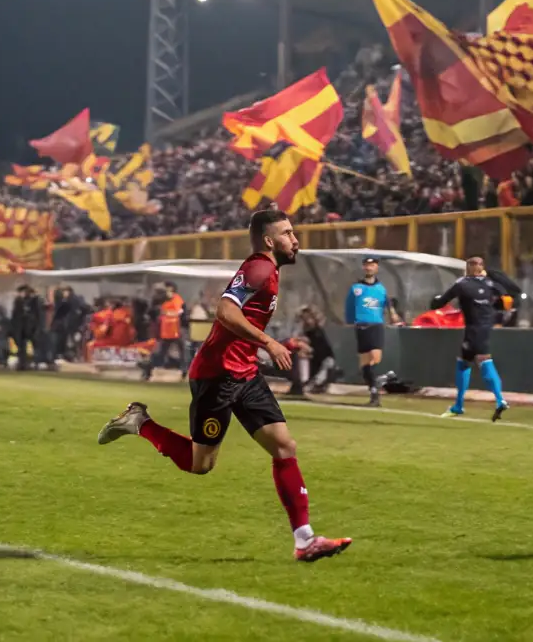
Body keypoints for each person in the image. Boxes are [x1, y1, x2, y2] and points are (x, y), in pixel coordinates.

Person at [95, 209, 351, 563]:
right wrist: (270, 343)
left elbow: (239, 328)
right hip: (217, 376)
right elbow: (226, 312)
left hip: (244, 374)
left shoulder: (270, 271)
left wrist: (273, 345)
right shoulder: (259, 268)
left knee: (284, 446)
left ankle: (305, 540)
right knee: (201, 464)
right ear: (268, 240)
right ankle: (140, 423)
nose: (296, 240)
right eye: (288, 233)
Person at [430, 255, 508, 420]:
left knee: (482, 359)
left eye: (474, 264)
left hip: (474, 328)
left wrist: (435, 301)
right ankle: (459, 405)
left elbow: (441, 302)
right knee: (464, 362)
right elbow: (507, 299)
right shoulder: (491, 284)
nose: (474, 266)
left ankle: (499, 399)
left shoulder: (462, 284)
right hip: (485, 327)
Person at [344, 256, 403, 407]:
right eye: (367, 265)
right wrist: (350, 321)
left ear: (376, 268)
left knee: (375, 359)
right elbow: (349, 307)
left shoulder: (381, 289)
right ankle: (375, 391)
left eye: (372, 265)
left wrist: (393, 315)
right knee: (365, 364)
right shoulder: (356, 288)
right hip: (361, 326)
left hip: (376, 325)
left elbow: (388, 306)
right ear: (364, 267)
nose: (369, 268)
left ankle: (378, 382)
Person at [140, 282, 188, 381]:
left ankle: (184, 371)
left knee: (183, 351)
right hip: (166, 331)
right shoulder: (159, 300)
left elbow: (181, 312)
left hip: (177, 330)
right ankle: (148, 368)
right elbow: (152, 312)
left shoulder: (177, 299)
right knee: (161, 352)